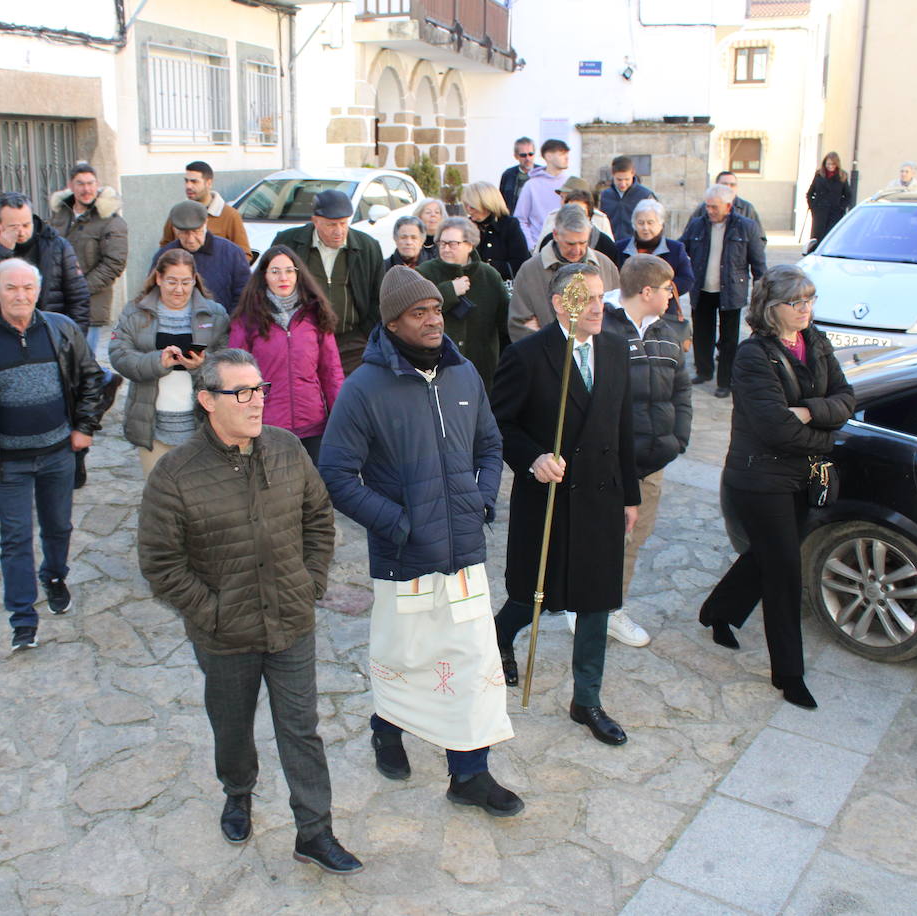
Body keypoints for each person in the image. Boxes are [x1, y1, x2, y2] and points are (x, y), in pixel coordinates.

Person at [137, 348, 362, 875]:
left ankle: (315, 831)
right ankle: (238, 793)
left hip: (291, 621)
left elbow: (318, 518)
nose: (256, 401)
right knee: (232, 726)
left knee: (301, 728)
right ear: (207, 401)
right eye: (241, 392)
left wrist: (310, 582)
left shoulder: (286, 449)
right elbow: (160, 563)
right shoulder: (174, 474)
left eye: (259, 389)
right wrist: (210, 612)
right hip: (224, 634)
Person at [318, 265, 522, 819]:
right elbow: (336, 474)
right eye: (419, 313)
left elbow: (489, 442)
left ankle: (470, 775)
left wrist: (480, 498)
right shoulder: (363, 388)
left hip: (464, 559)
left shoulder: (464, 375)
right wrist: (399, 523)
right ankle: (387, 728)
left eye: (436, 309)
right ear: (392, 322)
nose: (434, 320)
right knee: (405, 660)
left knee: (474, 662)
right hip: (404, 559)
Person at [490, 262, 639, 746]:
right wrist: (532, 457)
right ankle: (500, 635)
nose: (599, 307)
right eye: (587, 299)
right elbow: (498, 426)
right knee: (535, 594)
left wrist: (630, 495)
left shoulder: (616, 349)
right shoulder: (528, 356)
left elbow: (623, 429)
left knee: (596, 600)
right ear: (560, 304)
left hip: (602, 497)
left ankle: (587, 700)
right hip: (549, 498)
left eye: (602, 297)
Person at [698, 265, 855, 710]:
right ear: (772, 308)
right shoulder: (753, 356)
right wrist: (826, 431)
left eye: (810, 299)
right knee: (784, 571)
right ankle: (789, 675)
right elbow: (775, 429)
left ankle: (718, 611)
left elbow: (846, 397)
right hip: (759, 477)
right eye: (796, 302)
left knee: (766, 556)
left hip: (805, 475)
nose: (806, 309)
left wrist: (808, 410)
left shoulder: (816, 341)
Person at [0, 259, 104, 652]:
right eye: (11, 288)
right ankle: (23, 620)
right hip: (6, 461)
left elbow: (92, 378)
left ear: (38, 291)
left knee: (58, 527)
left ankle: (54, 575)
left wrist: (84, 427)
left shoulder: (61, 330)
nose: (20, 295)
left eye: (28, 287)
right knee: (15, 539)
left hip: (57, 454)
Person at [601, 255, 693, 648]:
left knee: (634, 539)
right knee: (604, 537)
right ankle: (593, 606)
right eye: (668, 288)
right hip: (610, 463)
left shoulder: (666, 330)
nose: (673, 296)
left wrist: (678, 439)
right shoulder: (602, 327)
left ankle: (609, 609)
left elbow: (682, 388)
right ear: (647, 291)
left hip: (652, 461)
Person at [109, 248, 230, 474]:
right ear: (158, 278)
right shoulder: (136, 312)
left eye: (186, 282)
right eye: (172, 282)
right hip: (152, 425)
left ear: (195, 280)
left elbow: (228, 360)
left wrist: (202, 365)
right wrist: (158, 362)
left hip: (201, 425)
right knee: (158, 497)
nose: (179, 290)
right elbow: (118, 354)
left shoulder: (215, 315)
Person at [228, 245, 344, 463]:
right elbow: (235, 376)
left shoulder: (316, 314)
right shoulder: (247, 318)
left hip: (313, 424)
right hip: (267, 424)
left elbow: (331, 372)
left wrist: (341, 416)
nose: (283, 277)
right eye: (275, 271)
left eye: (289, 271)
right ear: (264, 276)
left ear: (298, 274)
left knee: (315, 488)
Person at [272, 190, 385, 375]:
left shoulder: (367, 247)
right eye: (331, 225)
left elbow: (378, 297)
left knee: (349, 397)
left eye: (343, 223)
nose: (339, 231)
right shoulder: (288, 243)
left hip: (353, 341)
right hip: (303, 340)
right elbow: (271, 289)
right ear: (315, 221)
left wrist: (367, 335)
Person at [48, 162, 128, 414]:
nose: (86, 189)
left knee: (81, 357)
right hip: (58, 300)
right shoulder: (60, 214)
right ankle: (103, 380)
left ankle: (84, 405)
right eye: (80, 183)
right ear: (71, 186)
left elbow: (114, 263)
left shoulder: (110, 220)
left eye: (90, 183)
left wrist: (80, 288)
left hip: (90, 303)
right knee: (64, 355)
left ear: (97, 185)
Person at [679, 184, 767, 398]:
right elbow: (681, 250)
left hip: (731, 290)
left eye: (714, 207)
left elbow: (758, 264)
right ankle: (704, 370)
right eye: (707, 206)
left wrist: (761, 294)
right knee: (701, 333)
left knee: (729, 339)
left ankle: (725, 381)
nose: (709, 211)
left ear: (728, 206)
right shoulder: (697, 225)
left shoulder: (746, 227)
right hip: (702, 288)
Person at [0, 191, 90, 330]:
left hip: (50, 334)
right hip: (0, 334)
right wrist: (1, 250)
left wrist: (73, 339)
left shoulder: (57, 245)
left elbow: (79, 298)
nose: (21, 232)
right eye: (13, 227)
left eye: (26, 225)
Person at [417, 217, 509, 391]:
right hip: (437, 367)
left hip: (481, 369)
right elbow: (416, 313)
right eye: (441, 243)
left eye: (452, 243)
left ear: (470, 245)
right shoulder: (425, 272)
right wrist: (448, 291)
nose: (445, 248)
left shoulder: (489, 275)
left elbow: (505, 321)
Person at [509, 204, 620, 342]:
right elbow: (518, 325)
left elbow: (618, 315)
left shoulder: (605, 266)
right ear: (555, 235)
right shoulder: (530, 270)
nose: (577, 250)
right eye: (570, 244)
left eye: (583, 243)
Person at [152, 200, 250, 315]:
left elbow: (244, 295)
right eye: (184, 233)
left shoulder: (231, 253)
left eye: (196, 231)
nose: (191, 240)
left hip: (221, 326)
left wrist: (230, 325)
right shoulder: (164, 255)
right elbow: (152, 295)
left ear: (206, 223)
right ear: (174, 229)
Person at [614, 198, 695, 323]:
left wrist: (661, 291)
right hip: (628, 314)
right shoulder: (619, 248)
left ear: (660, 223)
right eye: (640, 223)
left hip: (664, 314)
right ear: (634, 224)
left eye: (650, 222)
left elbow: (687, 279)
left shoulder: (676, 249)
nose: (645, 228)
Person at [159, 160, 252, 258]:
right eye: (186, 181)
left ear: (208, 183)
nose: (188, 186)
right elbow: (165, 247)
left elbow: (244, 255)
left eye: (194, 181)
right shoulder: (178, 213)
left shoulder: (230, 215)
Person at [460, 180, 528, 282]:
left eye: (472, 206)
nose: (469, 210)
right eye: (466, 205)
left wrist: (490, 266)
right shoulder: (465, 226)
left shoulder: (509, 225)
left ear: (486, 204)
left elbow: (520, 262)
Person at [534, 180, 618, 261]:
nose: (576, 216)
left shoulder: (605, 244)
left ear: (590, 216)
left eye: (581, 213)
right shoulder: (549, 240)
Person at [513, 138, 572, 247]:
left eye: (567, 154)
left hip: (568, 247)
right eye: (561, 154)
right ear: (549, 156)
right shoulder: (531, 185)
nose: (567, 157)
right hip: (539, 248)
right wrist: (531, 246)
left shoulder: (571, 183)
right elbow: (521, 219)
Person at [600, 155, 658, 242]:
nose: (623, 184)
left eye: (627, 179)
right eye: (619, 180)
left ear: (633, 173)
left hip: (636, 246)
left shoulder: (645, 196)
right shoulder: (605, 196)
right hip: (610, 246)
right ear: (613, 174)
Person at [689, 171, 764, 235]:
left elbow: (759, 238)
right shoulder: (703, 208)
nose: (729, 188)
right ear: (716, 185)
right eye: (724, 184)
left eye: (732, 185)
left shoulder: (747, 208)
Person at [806, 152, 851, 252]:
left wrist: (841, 207)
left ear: (837, 164)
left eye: (833, 164)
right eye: (828, 164)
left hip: (834, 212)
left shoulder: (842, 176)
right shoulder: (819, 175)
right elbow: (810, 193)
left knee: (831, 236)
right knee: (817, 237)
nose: (830, 166)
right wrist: (813, 206)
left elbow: (848, 195)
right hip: (820, 212)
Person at [499, 137, 537, 213]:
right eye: (523, 155)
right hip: (514, 220)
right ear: (516, 156)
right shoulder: (508, 174)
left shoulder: (542, 174)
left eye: (531, 154)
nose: (527, 158)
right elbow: (501, 200)